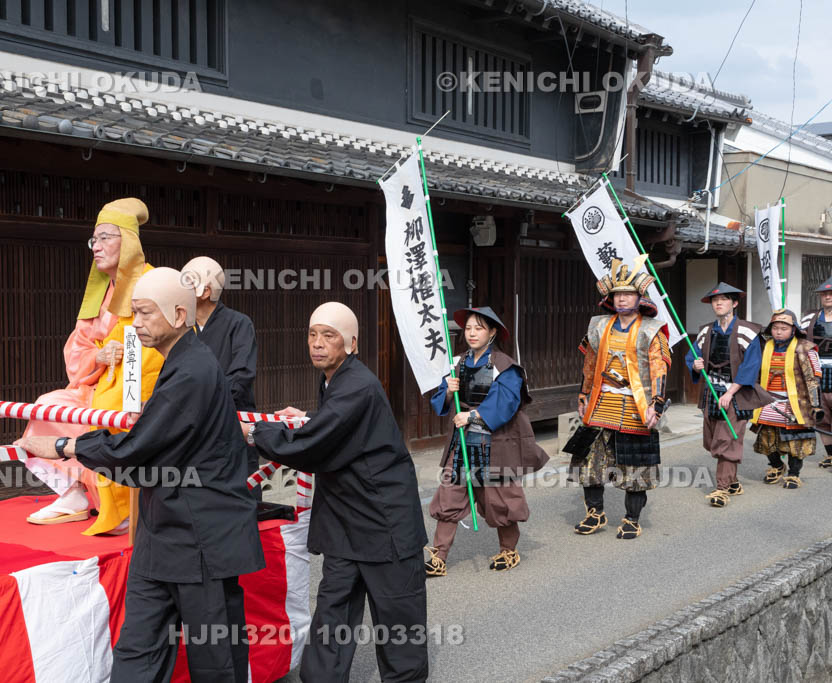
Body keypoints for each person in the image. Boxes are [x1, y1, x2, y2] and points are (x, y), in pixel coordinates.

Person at [17, 267, 263, 683]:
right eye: (134, 314)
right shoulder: (179, 363)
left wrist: (64, 446)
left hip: (201, 536)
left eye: (147, 313)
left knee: (214, 658)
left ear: (180, 314)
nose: (138, 324)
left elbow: (137, 449)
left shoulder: (193, 371)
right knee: (138, 648)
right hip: (163, 532)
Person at [244, 302, 428, 683]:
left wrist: (254, 432)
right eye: (313, 334)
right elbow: (331, 428)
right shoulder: (335, 379)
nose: (318, 343)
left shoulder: (357, 385)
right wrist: (311, 418)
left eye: (329, 336)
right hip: (347, 520)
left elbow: (314, 445)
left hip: (384, 519)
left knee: (398, 618)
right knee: (333, 612)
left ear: (352, 343)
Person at [22, 198, 163, 535]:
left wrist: (125, 353)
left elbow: (154, 345)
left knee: (111, 414)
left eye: (104, 238)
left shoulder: (151, 282)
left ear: (128, 241)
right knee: (48, 408)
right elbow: (80, 344)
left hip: (139, 385)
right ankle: (74, 493)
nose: (96, 248)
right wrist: (98, 358)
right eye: (93, 240)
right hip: (100, 378)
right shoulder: (103, 290)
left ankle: (122, 507)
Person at [425, 306, 548, 576]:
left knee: (499, 499)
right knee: (450, 493)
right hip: (463, 441)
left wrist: (472, 416)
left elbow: (506, 403)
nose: (471, 333)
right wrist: (449, 391)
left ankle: (508, 550)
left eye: (478, 328)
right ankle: (439, 556)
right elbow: (440, 401)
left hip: (495, 441)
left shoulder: (505, 366)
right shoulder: (456, 363)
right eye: (468, 328)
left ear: (492, 332)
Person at [562, 256, 670, 540]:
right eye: (618, 294)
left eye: (628, 294)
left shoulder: (651, 330)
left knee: (635, 466)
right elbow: (589, 363)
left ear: (639, 297)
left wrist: (656, 406)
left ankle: (632, 518)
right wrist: (583, 393)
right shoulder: (598, 326)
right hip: (601, 400)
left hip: (637, 404)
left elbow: (659, 368)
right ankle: (595, 513)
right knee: (588, 460)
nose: (622, 299)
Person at [182, 256, 261, 497]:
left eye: (186, 281)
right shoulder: (182, 329)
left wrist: (199, 401)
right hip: (192, 428)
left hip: (232, 424)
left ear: (205, 291)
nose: (179, 288)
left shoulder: (239, 324)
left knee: (239, 501)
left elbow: (241, 377)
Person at [722, 309, 823, 490]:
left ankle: (794, 474)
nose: (778, 331)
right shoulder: (764, 346)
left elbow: (812, 379)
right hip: (768, 401)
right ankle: (777, 466)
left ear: (793, 329)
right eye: (775, 327)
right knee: (767, 439)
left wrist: (815, 405)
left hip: (796, 403)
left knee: (795, 441)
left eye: (783, 328)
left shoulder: (805, 348)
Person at [684, 283, 763, 507]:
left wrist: (731, 392)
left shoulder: (748, 331)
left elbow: (751, 365)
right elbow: (692, 356)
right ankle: (733, 481)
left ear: (734, 303)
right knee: (712, 441)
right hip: (711, 392)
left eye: (724, 299)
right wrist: (696, 365)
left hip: (736, 393)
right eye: (715, 300)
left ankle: (721, 489)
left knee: (726, 439)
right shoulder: (706, 331)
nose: (718, 303)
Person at [801, 275, 832, 469]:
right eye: (824, 294)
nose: (828, 297)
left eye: (831, 294)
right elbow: (799, 341)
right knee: (822, 417)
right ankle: (830, 455)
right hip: (816, 373)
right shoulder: (809, 318)